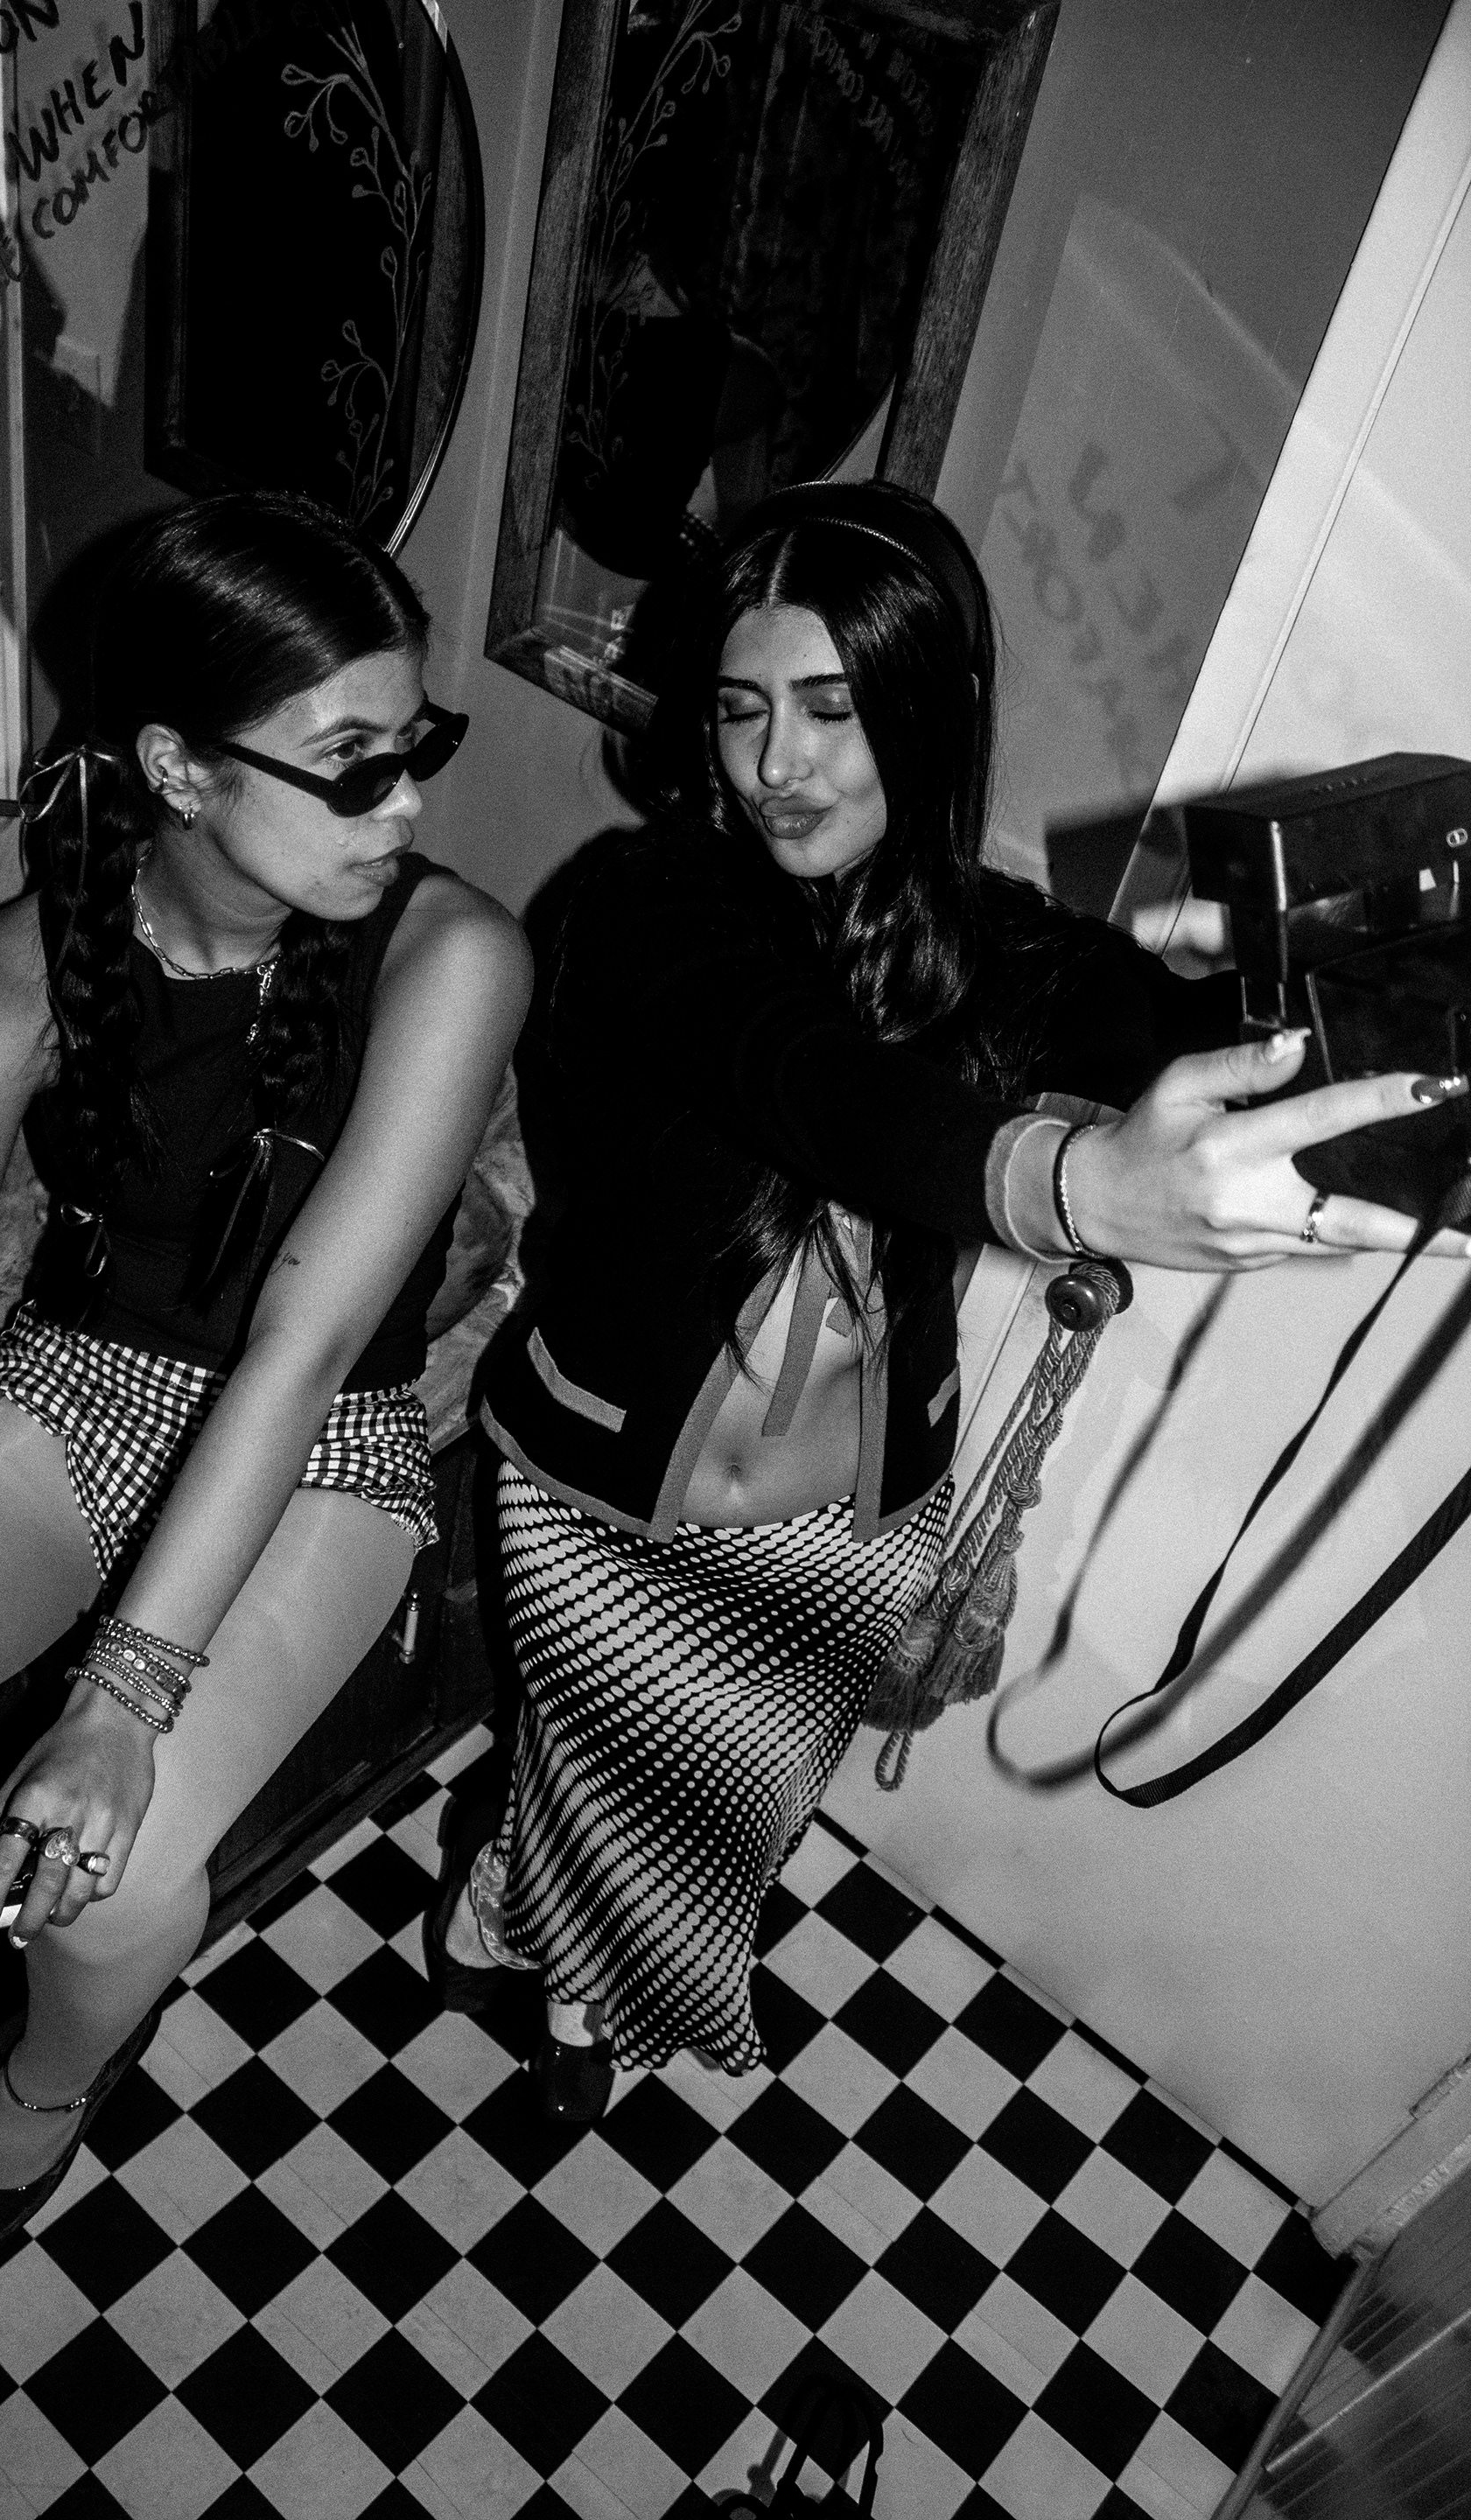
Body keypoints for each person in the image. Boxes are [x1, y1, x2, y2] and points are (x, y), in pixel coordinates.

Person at [432, 478, 1470, 2121]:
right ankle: (534, 1933)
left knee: (723, 1811)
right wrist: (1076, 1188)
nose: (779, 764)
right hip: (602, 1499)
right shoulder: (643, 908)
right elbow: (809, 1082)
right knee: (584, 1774)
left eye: (833, 709)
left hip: (848, 1528)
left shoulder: (994, 943)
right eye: (743, 710)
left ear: (927, 708)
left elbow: (1178, 1030)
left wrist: (1391, 1034)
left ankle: (576, 1955)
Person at [0, 492, 530, 2272]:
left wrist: (121, 1702)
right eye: (352, 765)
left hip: (327, 1444)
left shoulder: (456, 957)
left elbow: (304, 1349)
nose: (409, 805)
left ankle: (48, 2087)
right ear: (181, 770)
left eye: (417, 746)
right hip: (76, 1385)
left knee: (107, 1885)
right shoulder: (6, 974)